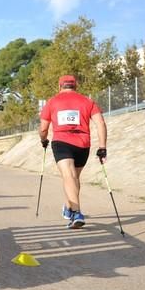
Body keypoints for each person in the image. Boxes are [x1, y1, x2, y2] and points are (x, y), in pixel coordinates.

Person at [39, 75, 107, 229]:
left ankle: (76, 213)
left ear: (60, 86)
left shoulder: (52, 102)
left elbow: (43, 128)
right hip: (83, 144)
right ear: (75, 86)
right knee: (73, 178)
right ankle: (69, 207)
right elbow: (100, 123)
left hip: (62, 142)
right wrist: (102, 147)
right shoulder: (87, 101)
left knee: (69, 176)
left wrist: (43, 140)